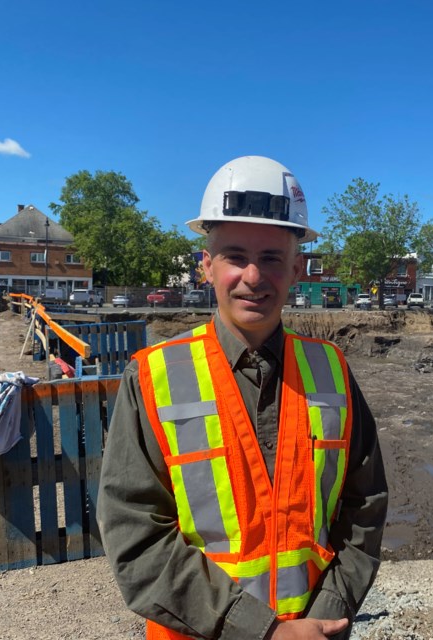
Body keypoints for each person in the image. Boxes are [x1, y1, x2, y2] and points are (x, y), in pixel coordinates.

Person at [97, 156, 389, 640]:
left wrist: (327, 616)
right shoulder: (152, 377)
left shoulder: (332, 370)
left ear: (297, 268)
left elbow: (364, 508)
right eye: (235, 256)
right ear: (207, 267)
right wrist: (264, 632)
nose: (253, 276)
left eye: (272, 258)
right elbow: (136, 539)